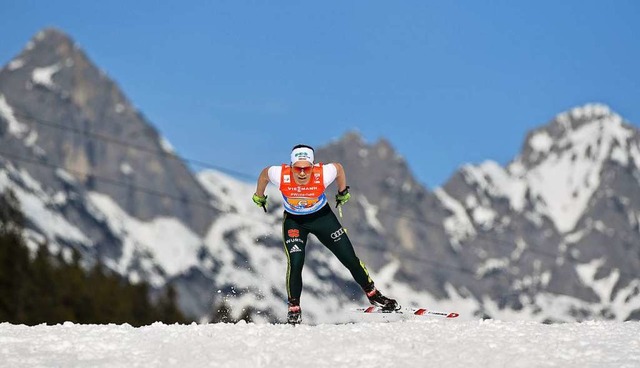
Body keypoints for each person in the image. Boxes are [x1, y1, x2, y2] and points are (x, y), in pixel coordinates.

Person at [252, 144, 399, 324]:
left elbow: (339, 169)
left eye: (307, 168)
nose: (302, 173)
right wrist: (259, 195)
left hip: (322, 219)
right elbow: (264, 174)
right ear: (290, 167)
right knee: (296, 262)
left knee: (349, 258)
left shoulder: (323, 173)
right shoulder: (280, 174)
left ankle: (373, 294)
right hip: (295, 222)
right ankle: (294, 307)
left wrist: (342, 191)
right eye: (298, 168)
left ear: (314, 167)